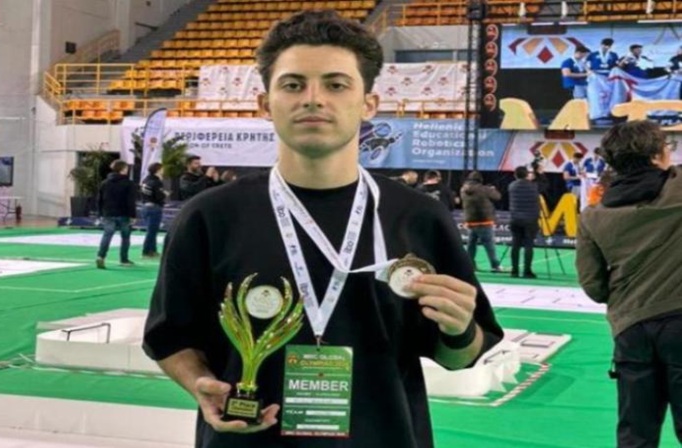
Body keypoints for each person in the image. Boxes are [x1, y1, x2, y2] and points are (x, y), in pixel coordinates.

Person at [143, 10, 503, 448]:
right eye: (293, 85)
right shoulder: (209, 216)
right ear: (265, 104)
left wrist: (459, 328)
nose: (313, 99)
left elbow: (460, 357)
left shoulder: (419, 217)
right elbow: (169, 336)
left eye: (336, 85)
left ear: (368, 104)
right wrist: (198, 382)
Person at [576, 120, 682, 448]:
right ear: (657, 155)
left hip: (631, 329)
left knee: (636, 434)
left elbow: (593, 286)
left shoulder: (593, 215)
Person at [96, 160, 136, 269]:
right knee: (125, 237)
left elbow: (99, 199)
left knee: (107, 235)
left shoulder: (105, 183)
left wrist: (100, 213)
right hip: (123, 213)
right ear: (123, 169)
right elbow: (130, 201)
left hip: (108, 213)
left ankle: (101, 256)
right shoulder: (129, 183)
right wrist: (133, 215)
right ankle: (124, 259)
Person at [460, 171, 504, 273]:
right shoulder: (484, 189)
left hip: (470, 221)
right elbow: (498, 196)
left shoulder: (463, 189)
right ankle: (495, 266)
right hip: (484, 221)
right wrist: (492, 189)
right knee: (489, 245)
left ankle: (469, 266)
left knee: (471, 246)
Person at [508, 166, 540, 279]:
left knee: (515, 245)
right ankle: (527, 271)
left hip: (515, 219)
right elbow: (544, 186)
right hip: (530, 220)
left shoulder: (512, 186)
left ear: (515, 175)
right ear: (527, 175)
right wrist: (539, 174)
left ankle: (514, 270)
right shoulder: (533, 186)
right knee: (528, 245)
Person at [140, 162, 165, 258]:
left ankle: (152, 250)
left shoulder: (145, 180)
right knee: (152, 231)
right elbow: (159, 196)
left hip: (145, 206)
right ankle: (146, 251)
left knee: (151, 230)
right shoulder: (157, 182)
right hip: (154, 207)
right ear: (158, 170)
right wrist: (164, 194)